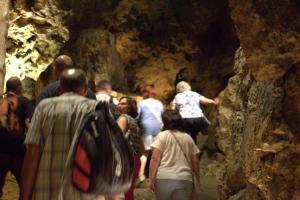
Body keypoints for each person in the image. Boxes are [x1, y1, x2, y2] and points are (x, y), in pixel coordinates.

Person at [20, 69, 104, 200]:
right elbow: (107, 155)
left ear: (59, 89)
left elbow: (32, 153)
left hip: (47, 192)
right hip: (85, 193)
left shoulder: (44, 108)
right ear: (86, 89)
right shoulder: (97, 109)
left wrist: (24, 196)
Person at [148, 110, 200, 200]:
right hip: (184, 178)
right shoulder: (188, 137)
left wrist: (151, 179)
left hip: (164, 178)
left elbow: (155, 158)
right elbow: (195, 161)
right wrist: (198, 179)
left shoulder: (162, 135)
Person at [0, 77, 30, 197]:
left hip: (1, 149)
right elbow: (28, 123)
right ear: (18, 88)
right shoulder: (25, 102)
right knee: (24, 184)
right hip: (18, 149)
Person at [117, 97, 144, 200]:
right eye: (119, 103)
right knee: (128, 192)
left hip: (125, 159)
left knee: (119, 191)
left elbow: (116, 138)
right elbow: (142, 148)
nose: (119, 105)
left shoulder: (123, 118)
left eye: (123, 104)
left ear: (129, 108)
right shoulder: (135, 123)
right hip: (135, 159)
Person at [137, 85, 164, 183]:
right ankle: (156, 175)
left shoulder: (142, 103)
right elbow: (162, 115)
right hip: (157, 128)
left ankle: (141, 174)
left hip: (146, 128)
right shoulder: (159, 103)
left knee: (144, 153)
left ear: (145, 93)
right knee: (156, 152)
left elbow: (138, 115)